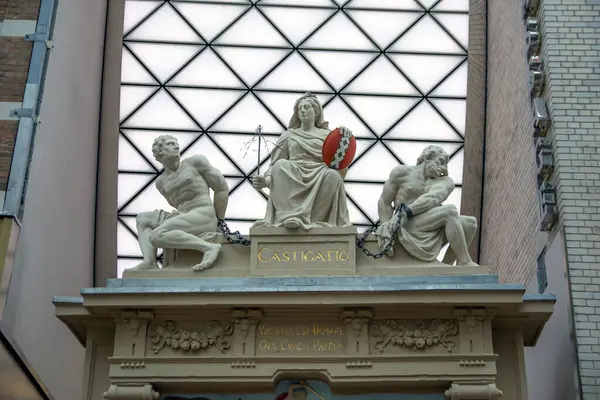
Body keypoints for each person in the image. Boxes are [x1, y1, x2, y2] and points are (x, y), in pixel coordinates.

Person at [251, 92, 351, 230]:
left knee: (333, 176)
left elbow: (340, 168)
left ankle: (314, 220)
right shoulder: (289, 135)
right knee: (281, 166)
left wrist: (344, 140)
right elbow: (274, 165)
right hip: (293, 173)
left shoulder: (328, 136)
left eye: (307, 107)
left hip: (320, 173)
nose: (303, 111)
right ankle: (290, 216)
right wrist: (266, 181)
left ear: (316, 112)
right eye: (300, 108)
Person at [132, 134, 228, 272]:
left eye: (176, 143)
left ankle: (209, 247)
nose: (176, 146)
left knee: (156, 236)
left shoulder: (196, 162)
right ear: (159, 151)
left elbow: (221, 188)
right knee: (143, 219)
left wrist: (220, 220)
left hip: (203, 213)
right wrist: (178, 216)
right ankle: (149, 262)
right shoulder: (160, 182)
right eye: (171, 144)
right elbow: (175, 203)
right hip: (183, 215)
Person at [376, 145, 478, 266]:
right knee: (450, 211)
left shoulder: (445, 181)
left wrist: (406, 211)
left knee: (470, 223)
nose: (443, 168)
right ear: (428, 157)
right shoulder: (401, 173)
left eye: (445, 165)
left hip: (423, 220)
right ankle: (465, 261)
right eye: (440, 161)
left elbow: (432, 198)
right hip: (404, 224)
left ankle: (448, 265)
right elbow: (384, 201)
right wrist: (385, 225)